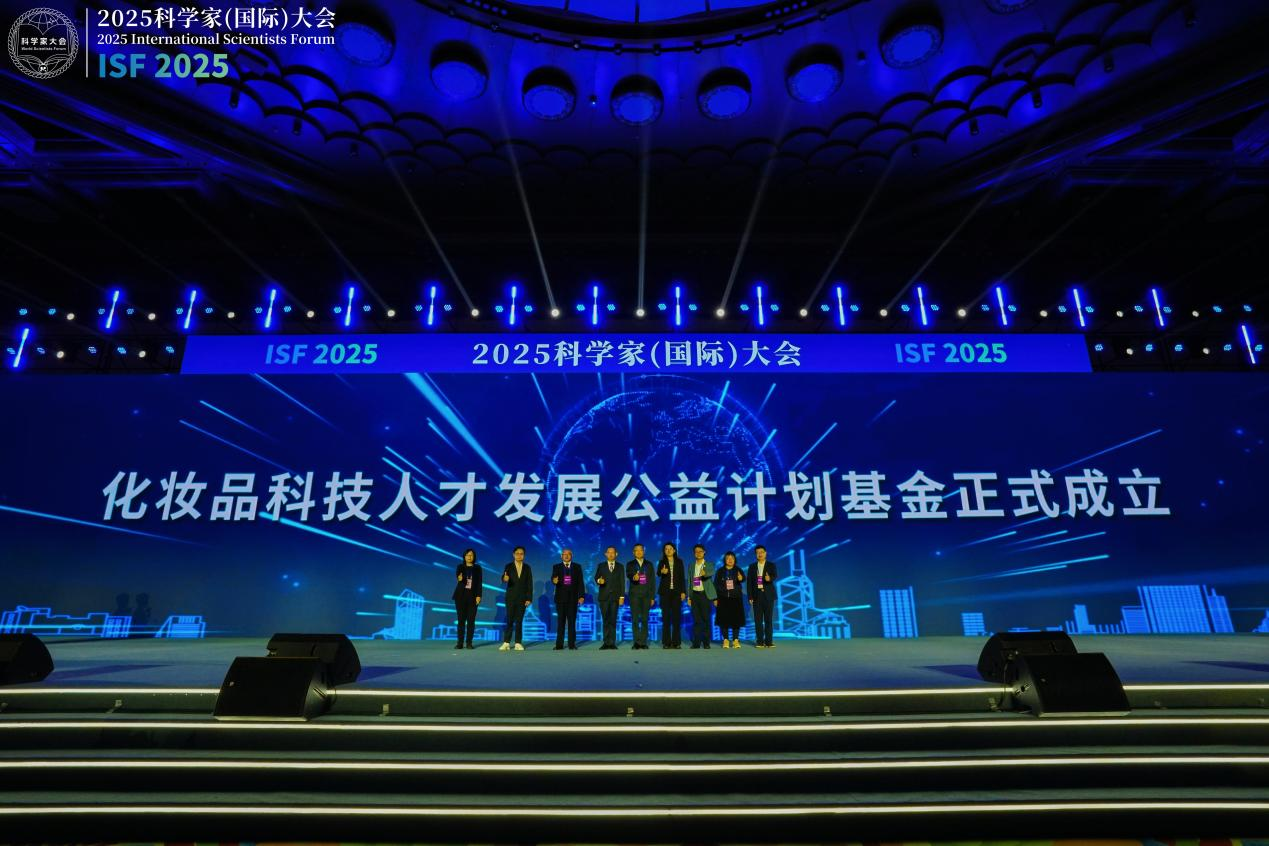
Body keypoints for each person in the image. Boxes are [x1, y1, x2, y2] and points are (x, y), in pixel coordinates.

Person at [499, 546, 533, 651]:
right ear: (513, 555)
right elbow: (504, 577)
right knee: (509, 620)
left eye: (521, 554)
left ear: (524, 555)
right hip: (510, 597)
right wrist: (504, 579)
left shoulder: (527, 567)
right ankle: (506, 642)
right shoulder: (508, 566)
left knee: (519, 621)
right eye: (517, 553)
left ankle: (518, 642)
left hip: (522, 598)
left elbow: (529, 583)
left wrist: (529, 598)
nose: (519, 555)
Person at [551, 548, 585, 650]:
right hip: (560, 599)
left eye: (568, 554)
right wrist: (554, 580)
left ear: (571, 556)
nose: (566, 556)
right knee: (560, 622)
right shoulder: (556, 567)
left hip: (573, 599)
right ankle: (559, 645)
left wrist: (581, 596)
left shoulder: (577, 567)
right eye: (564, 554)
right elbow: (553, 578)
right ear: (561, 556)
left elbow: (580, 583)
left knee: (571, 622)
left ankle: (571, 644)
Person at [594, 546, 626, 649]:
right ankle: (606, 642)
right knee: (605, 620)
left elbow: (622, 582)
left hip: (615, 597)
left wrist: (622, 596)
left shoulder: (620, 566)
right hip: (604, 597)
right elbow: (596, 577)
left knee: (613, 620)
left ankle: (612, 643)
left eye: (613, 552)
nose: (611, 554)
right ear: (606, 554)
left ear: (616, 554)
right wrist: (599, 581)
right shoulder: (601, 565)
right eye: (609, 552)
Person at [747, 545, 778, 649]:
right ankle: (759, 641)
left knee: (768, 619)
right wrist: (750, 596)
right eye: (757, 552)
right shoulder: (752, 566)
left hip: (768, 595)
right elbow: (749, 583)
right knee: (758, 620)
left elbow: (775, 575)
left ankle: (769, 642)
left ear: (765, 553)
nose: (759, 554)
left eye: (761, 552)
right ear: (755, 554)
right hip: (757, 596)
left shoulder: (771, 565)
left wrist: (770, 578)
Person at [713, 551, 746, 649]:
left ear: (735, 560)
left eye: (732, 558)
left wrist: (741, 578)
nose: (730, 560)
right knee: (724, 620)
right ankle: (726, 640)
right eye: (728, 558)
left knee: (736, 620)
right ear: (725, 560)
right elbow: (715, 585)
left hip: (736, 598)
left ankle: (735, 640)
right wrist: (715, 598)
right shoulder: (720, 571)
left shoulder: (738, 569)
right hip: (723, 598)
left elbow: (743, 578)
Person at [657, 542, 686, 649]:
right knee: (666, 618)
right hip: (665, 593)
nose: (668, 550)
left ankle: (676, 642)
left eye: (670, 548)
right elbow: (658, 573)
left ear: (674, 550)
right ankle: (666, 642)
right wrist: (662, 571)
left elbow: (682, 577)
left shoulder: (679, 562)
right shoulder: (662, 562)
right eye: (666, 549)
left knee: (676, 618)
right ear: (664, 551)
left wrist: (683, 592)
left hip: (676, 593)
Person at [687, 544, 717, 649]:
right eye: (696, 551)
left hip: (705, 595)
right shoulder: (691, 565)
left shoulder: (709, 564)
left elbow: (711, 572)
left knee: (706, 619)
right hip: (695, 595)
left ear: (704, 552)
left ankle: (706, 642)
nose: (698, 553)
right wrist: (689, 597)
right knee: (696, 620)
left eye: (700, 551)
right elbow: (690, 581)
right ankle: (696, 642)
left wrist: (705, 573)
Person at [626, 543, 655, 650]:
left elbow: (652, 581)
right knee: (635, 619)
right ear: (633, 552)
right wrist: (634, 577)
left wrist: (652, 597)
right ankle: (636, 642)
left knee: (644, 619)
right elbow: (629, 574)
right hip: (634, 595)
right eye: (636, 550)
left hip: (647, 595)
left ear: (644, 551)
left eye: (641, 550)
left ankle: (643, 642)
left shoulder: (649, 564)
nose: (639, 552)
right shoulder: (630, 564)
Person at [452, 548, 482, 649]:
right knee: (461, 620)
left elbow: (479, 583)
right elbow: (458, 576)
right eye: (467, 555)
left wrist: (479, 595)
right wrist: (459, 578)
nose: (469, 557)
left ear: (474, 557)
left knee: (471, 621)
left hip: (473, 597)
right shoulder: (460, 567)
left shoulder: (478, 568)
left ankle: (469, 643)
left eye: (471, 555)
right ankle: (460, 643)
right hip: (460, 596)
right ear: (464, 557)